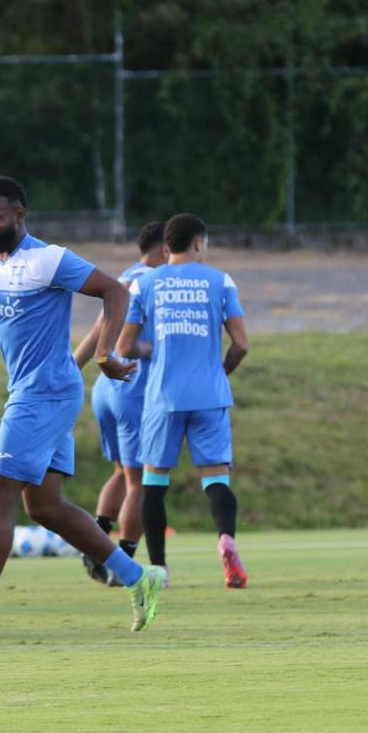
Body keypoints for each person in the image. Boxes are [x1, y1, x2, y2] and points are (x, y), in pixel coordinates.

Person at [0, 175, 166, 636]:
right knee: (45, 507)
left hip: (45, 392)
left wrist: (108, 354)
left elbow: (116, 292)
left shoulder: (47, 260)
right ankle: (139, 577)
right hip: (37, 392)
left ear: (18, 215)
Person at [116, 213, 250, 588]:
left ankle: (160, 568)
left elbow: (124, 346)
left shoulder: (146, 283)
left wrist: (151, 349)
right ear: (197, 244)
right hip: (209, 394)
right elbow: (241, 343)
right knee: (216, 477)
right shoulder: (220, 281)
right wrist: (221, 372)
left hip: (162, 395)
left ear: (165, 247)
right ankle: (226, 539)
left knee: (154, 483)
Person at [71, 221, 167, 586]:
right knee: (142, 479)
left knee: (121, 473)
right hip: (132, 385)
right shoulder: (154, 283)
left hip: (106, 389)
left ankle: (94, 540)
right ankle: (120, 562)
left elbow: (98, 328)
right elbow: (131, 345)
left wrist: (73, 367)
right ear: (162, 251)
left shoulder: (125, 277)